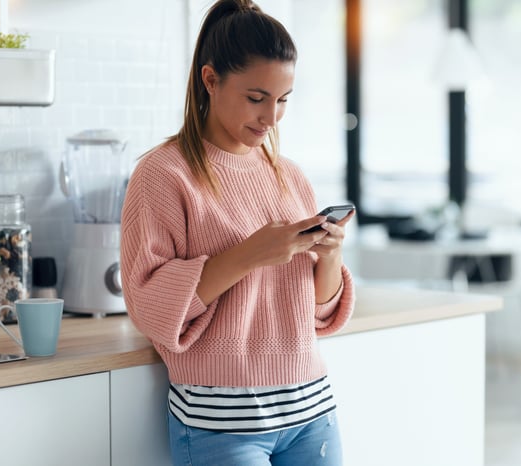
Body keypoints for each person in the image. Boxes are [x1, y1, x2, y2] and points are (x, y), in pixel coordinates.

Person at [120, 0, 355, 464]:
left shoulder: (290, 175)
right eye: (256, 98)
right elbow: (149, 307)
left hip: (311, 411)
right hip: (223, 423)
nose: (271, 118)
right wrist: (249, 254)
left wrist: (330, 256)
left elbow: (318, 313)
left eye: (283, 100)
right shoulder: (163, 175)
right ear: (210, 80)